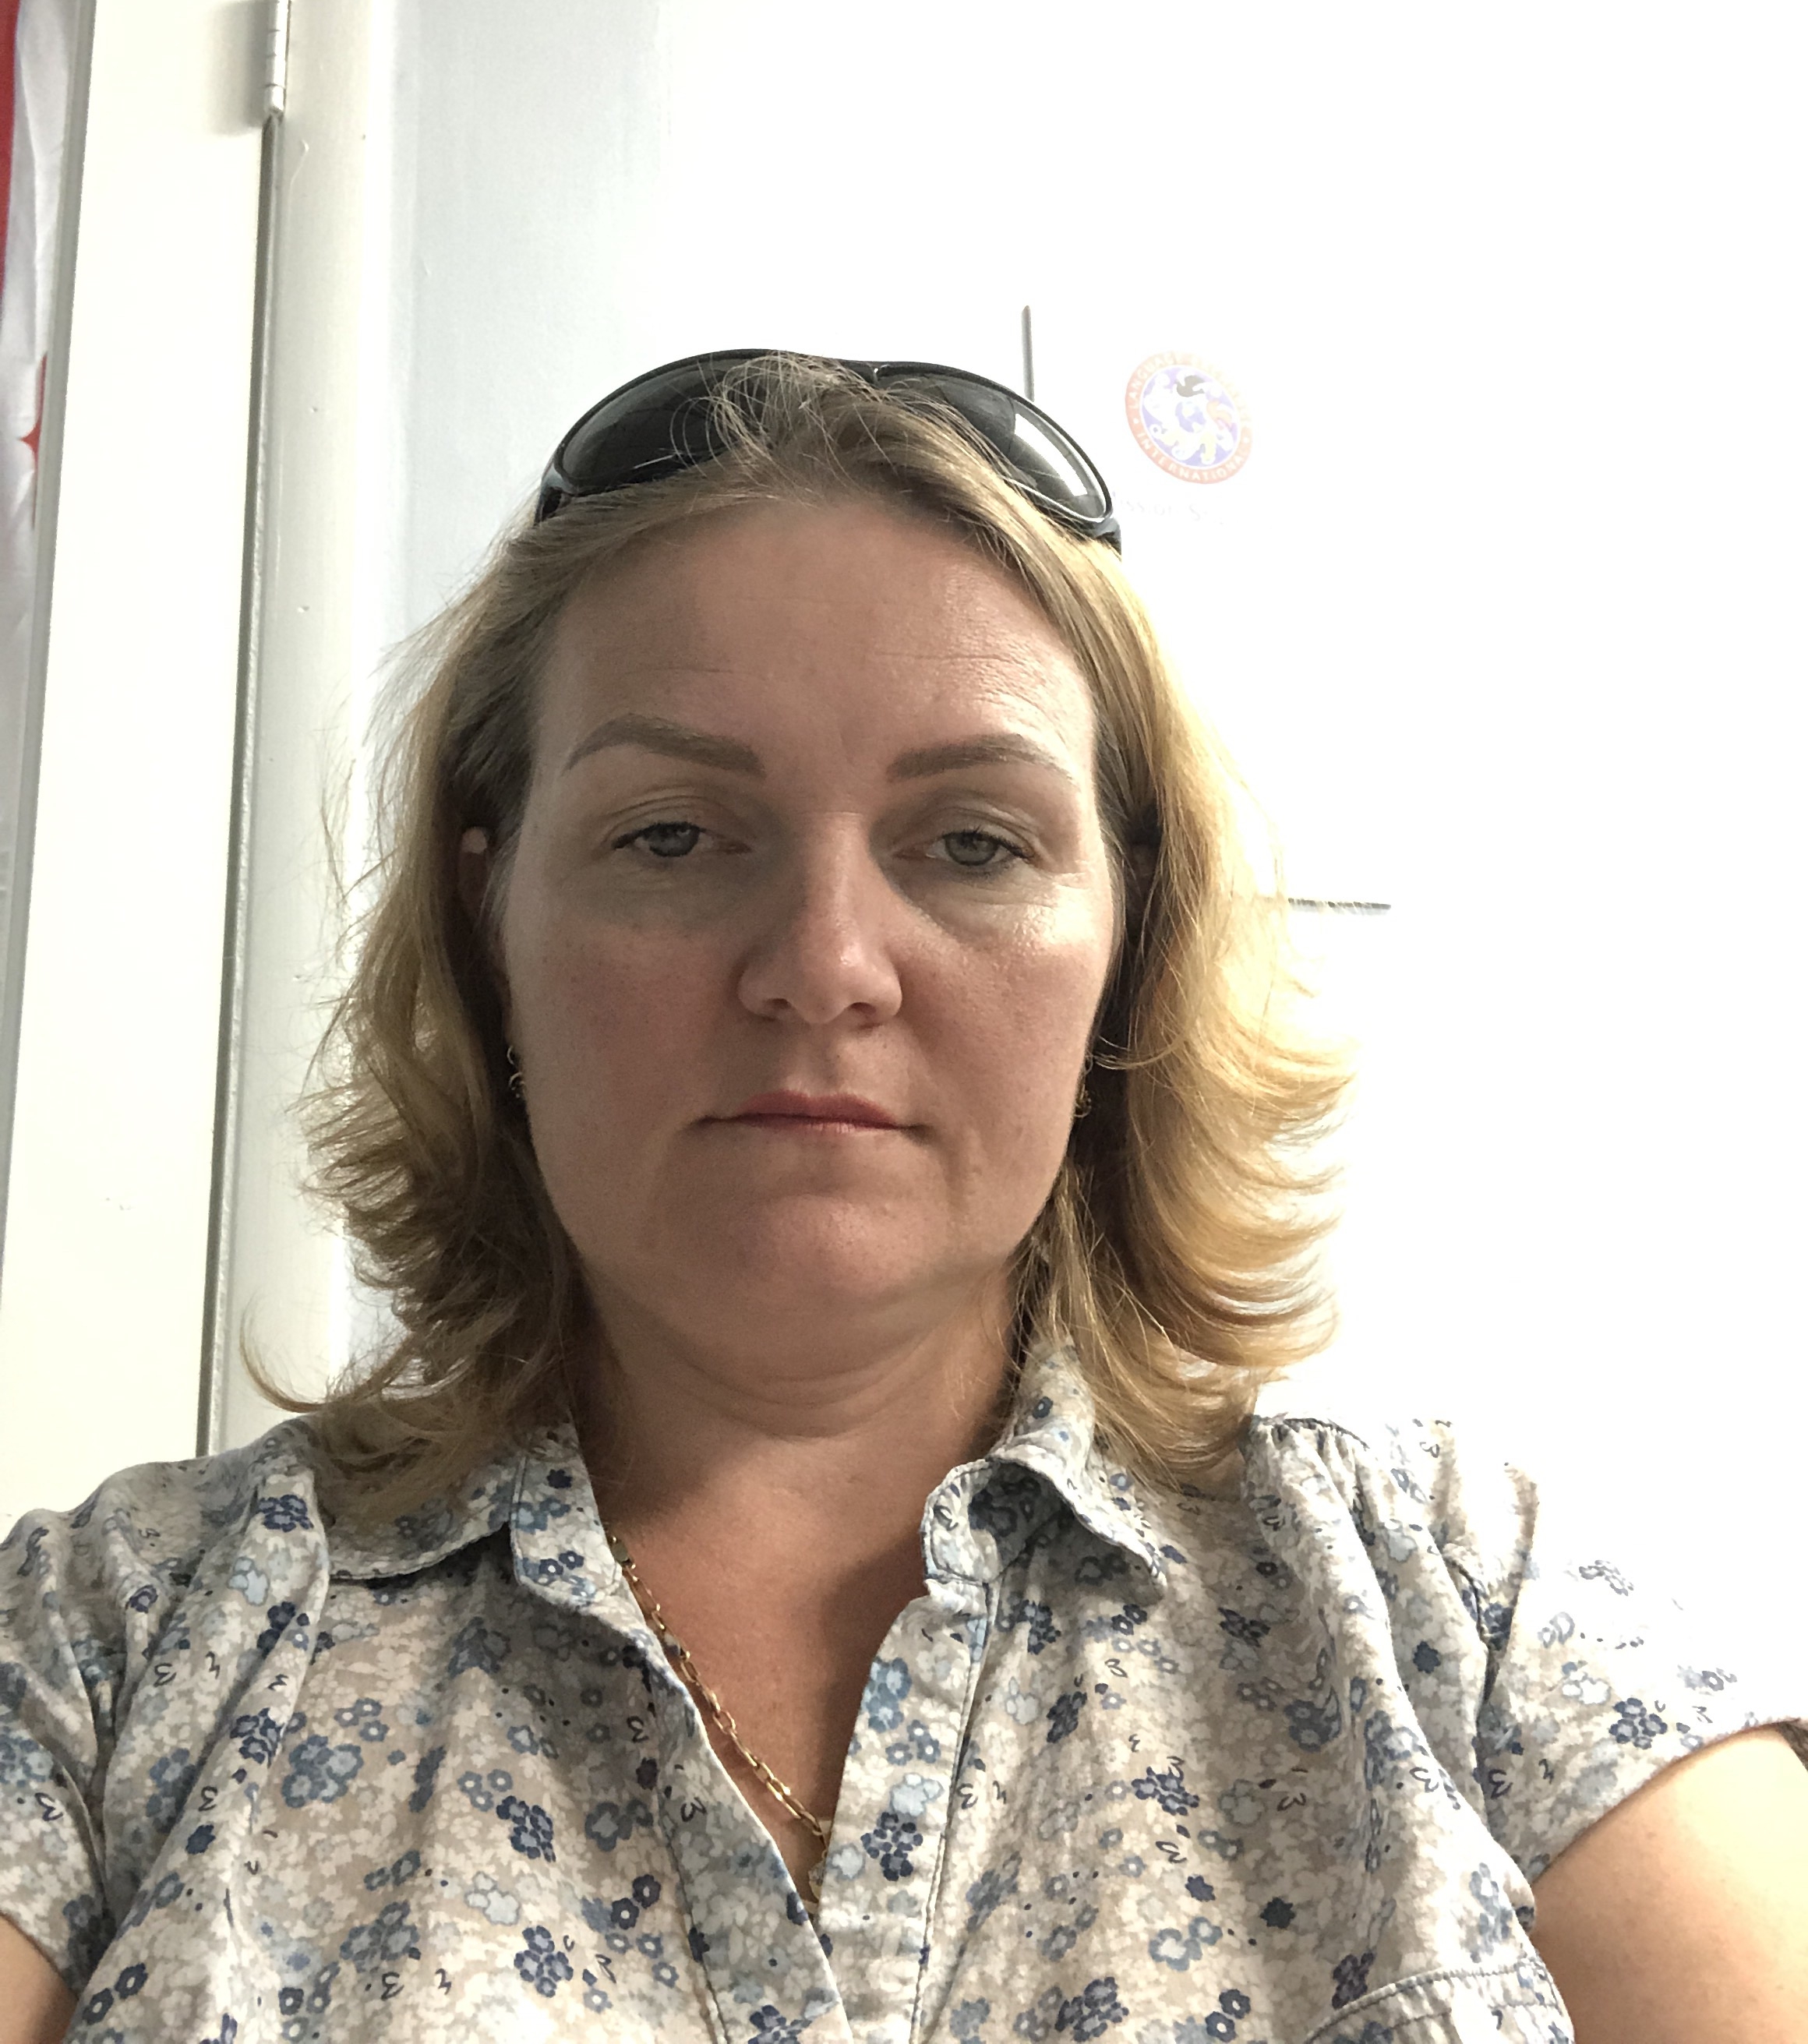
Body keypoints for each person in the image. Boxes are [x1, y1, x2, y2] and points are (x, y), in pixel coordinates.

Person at [0, 352, 1803, 2044]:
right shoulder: (106, 1647)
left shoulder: (1461, 1611)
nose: (823, 963)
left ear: (1129, 941)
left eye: (971, 842)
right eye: (669, 834)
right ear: (493, 920)